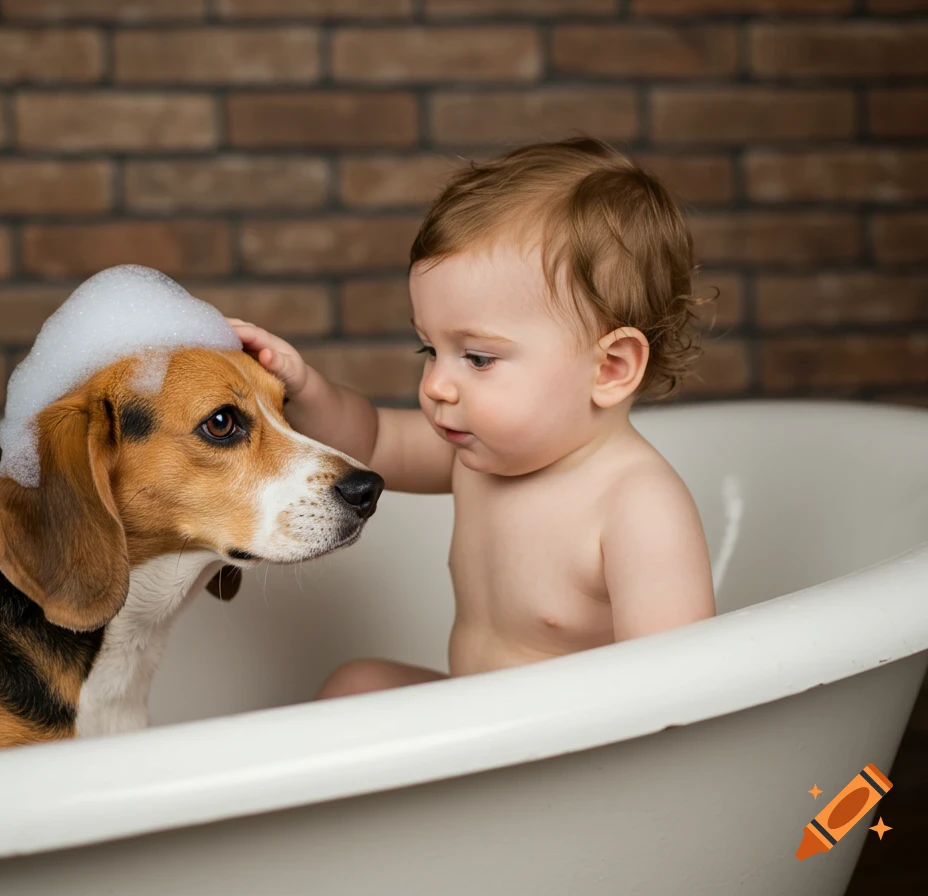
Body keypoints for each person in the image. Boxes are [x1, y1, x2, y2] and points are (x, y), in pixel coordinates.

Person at [228, 137, 717, 700]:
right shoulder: (477, 455)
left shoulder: (637, 504)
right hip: (477, 729)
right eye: (428, 350)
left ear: (609, 368)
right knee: (355, 686)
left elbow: (680, 689)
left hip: (571, 756)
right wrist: (303, 386)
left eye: (478, 358)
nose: (436, 384)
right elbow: (374, 437)